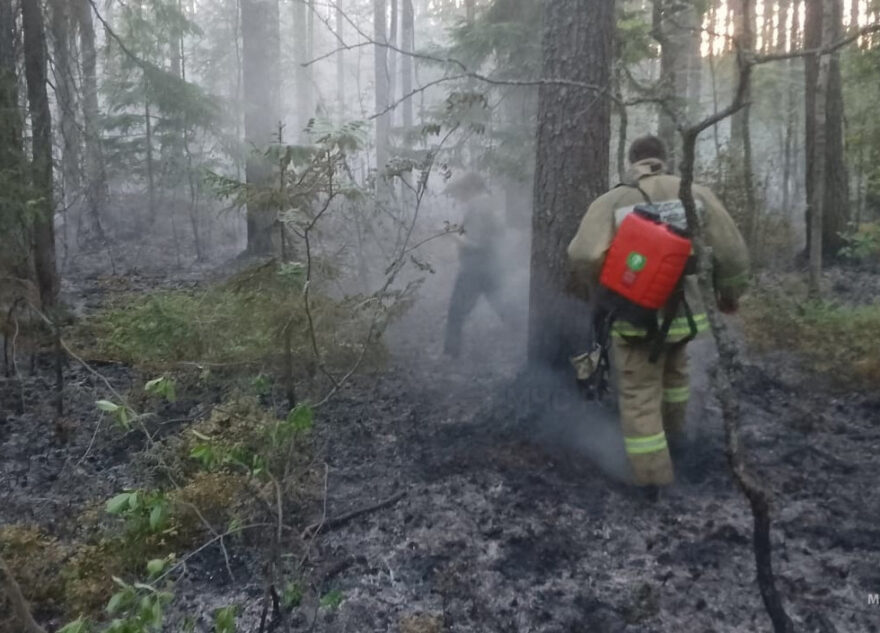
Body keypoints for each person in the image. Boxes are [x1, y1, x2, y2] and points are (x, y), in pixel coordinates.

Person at [567, 135, 749, 491]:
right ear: (665, 159)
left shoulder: (613, 200)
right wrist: (729, 293)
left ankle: (654, 482)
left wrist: (610, 278)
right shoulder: (695, 193)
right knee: (675, 378)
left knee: (639, 395)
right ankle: (677, 446)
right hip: (685, 315)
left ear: (632, 162)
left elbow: (583, 254)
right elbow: (733, 252)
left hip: (634, 315)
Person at [443, 172, 510, 358]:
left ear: (471, 188)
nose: (459, 195)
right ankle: (526, 337)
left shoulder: (477, 205)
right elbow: (494, 233)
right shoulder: (489, 203)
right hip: (490, 264)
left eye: (462, 190)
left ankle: (451, 354)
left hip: (474, 268)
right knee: (504, 307)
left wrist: (450, 233)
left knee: (456, 312)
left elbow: (475, 242)